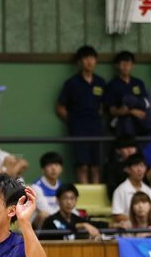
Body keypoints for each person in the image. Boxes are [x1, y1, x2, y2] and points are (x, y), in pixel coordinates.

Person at [56, 45, 105, 184]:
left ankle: (95, 194)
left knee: (96, 166)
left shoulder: (100, 82)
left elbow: (103, 107)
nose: (89, 61)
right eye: (86, 58)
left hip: (96, 128)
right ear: (79, 62)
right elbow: (60, 108)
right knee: (82, 165)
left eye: (92, 58)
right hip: (79, 128)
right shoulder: (72, 83)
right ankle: (83, 195)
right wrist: (74, 122)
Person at [105, 51, 151, 137]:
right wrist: (131, 111)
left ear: (133, 65)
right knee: (127, 104)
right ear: (117, 65)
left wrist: (139, 108)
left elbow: (145, 104)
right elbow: (112, 111)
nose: (126, 67)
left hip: (140, 119)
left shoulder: (138, 83)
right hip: (121, 121)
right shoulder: (112, 85)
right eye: (123, 64)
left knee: (132, 101)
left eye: (128, 64)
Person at [111, 154, 151, 227]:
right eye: (136, 166)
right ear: (127, 169)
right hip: (128, 229)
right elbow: (116, 216)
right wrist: (136, 220)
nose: (139, 169)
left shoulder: (148, 190)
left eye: (142, 166)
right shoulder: (120, 191)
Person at [30, 151, 64, 228]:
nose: (53, 168)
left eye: (56, 165)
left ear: (62, 169)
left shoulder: (62, 187)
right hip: (36, 226)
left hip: (58, 221)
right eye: (49, 165)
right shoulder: (36, 187)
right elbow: (45, 210)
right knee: (43, 215)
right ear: (43, 169)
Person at [104, 134, 141, 199]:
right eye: (126, 147)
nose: (130, 150)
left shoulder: (143, 166)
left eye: (132, 147)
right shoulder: (111, 168)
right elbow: (111, 191)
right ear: (118, 150)